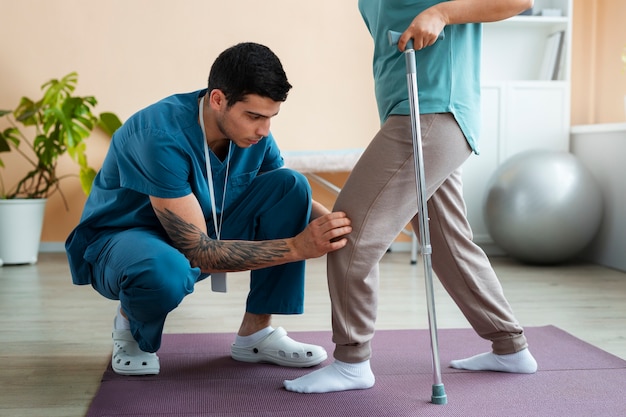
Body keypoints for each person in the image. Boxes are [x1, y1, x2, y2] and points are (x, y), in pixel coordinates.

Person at [284, 0, 537, 393]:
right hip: (415, 112)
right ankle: (510, 347)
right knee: (449, 243)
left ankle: (352, 362)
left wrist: (443, 13)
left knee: (348, 233)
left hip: (431, 111)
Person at [65, 42, 352, 376]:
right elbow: (200, 252)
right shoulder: (158, 135)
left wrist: (344, 223)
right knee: (162, 269)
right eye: (254, 116)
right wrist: (297, 247)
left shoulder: (251, 135)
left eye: (271, 118)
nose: (264, 130)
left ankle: (255, 334)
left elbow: (289, 199)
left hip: (205, 227)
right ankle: (130, 327)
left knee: (291, 186)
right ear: (218, 99)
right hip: (126, 241)